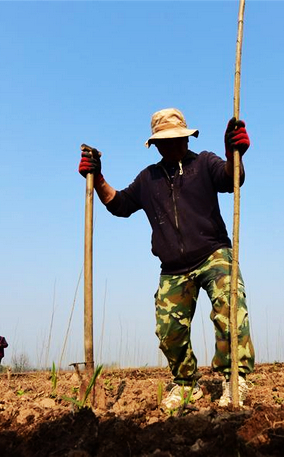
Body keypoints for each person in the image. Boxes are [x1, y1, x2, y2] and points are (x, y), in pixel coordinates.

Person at [78, 108, 255, 409]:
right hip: (173, 268)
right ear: (156, 145)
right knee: (168, 331)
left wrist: (234, 154)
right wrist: (97, 178)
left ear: (187, 139)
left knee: (230, 311)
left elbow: (232, 179)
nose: (173, 145)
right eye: (165, 141)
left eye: (178, 139)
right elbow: (118, 203)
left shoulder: (205, 163)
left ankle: (235, 378)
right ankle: (186, 383)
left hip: (213, 254)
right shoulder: (149, 178)